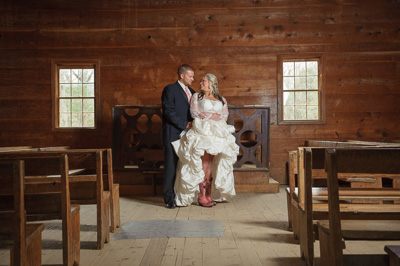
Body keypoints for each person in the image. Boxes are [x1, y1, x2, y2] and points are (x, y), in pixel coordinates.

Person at [172, 73, 239, 207]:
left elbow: (225, 115)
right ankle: (201, 195)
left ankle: (207, 193)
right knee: (202, 162)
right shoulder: (197, 96)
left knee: (210, 162)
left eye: (204, 81)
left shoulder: (222, 99)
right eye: (201, 81)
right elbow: (195, 113)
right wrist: (211, 116)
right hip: (202, 131)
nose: (201, 83)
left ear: (212, 83)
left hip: (216, 132)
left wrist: (213, 116)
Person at [161, 64, 196, 209]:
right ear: (182, 75)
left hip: (188, 135)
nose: (193, 79)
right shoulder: (170, 89)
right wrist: (184, 124)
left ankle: (182, 195)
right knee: (171, 166)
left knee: (185, 166)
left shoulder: (192, 91)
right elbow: (168, 111)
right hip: (173, 133)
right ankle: (169, 199)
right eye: (190, 76)